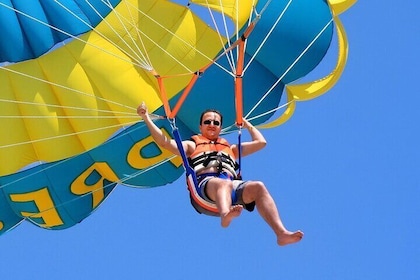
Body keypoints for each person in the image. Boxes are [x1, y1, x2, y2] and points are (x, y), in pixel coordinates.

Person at [137, 102, 303, 246]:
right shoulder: (192, 145)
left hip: (232, 188)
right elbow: (164, 142)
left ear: (221, 127)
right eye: (207, 121)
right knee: (222, 183)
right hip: (205, 189)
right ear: (200, 126)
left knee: (258, 186)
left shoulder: (230, 148)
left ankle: (281, 233)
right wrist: (146, 118)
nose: (211, 124)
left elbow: (261, 143)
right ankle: (225, 215)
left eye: (216, 122)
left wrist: (247, 125)